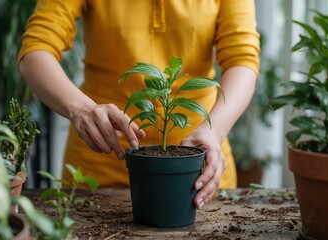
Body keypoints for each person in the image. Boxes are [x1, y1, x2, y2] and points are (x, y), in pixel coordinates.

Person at [18, 0, 260, 210]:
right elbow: (36, 50)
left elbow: (242, 59)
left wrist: (214, 130)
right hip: (100, 167)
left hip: (198, 171)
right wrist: (81, 109)